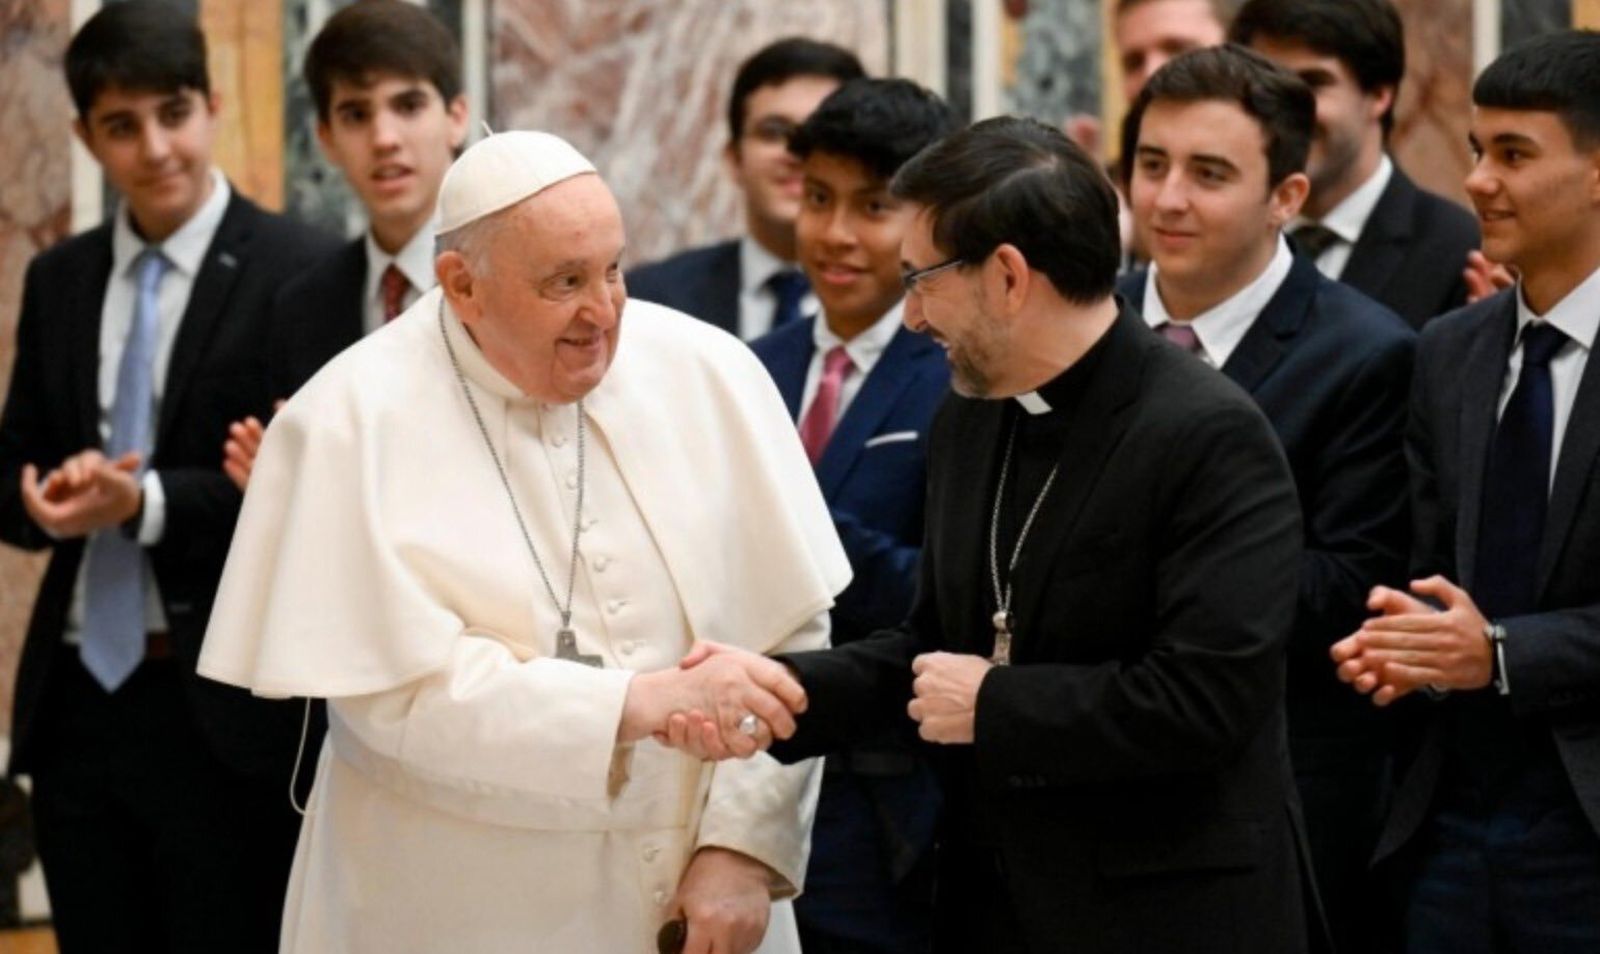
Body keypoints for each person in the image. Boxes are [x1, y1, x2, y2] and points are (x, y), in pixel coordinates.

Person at [197, 130, 849, 954]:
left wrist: (744, 851)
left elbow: (788, 633)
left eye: (612, 269)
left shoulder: (708, 372)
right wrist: (632, 704)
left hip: (706, 900)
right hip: (461, 907)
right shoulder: (349, 423)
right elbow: (396, 701)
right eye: (564, 283)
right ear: (462, 285)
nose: (604, 312)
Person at [676, 115, 1313, 954]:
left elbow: (1207, 701)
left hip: (1164, 914)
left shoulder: (1206, 434)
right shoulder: (972, 419)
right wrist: (783, 692)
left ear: (1008, 276)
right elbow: (938, 648)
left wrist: (996, 704)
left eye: (923, 281)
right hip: (995, 905)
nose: (910, 317)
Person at [0, 3, 340, 950]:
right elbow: (13, 465)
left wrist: (144, 504)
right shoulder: (61, 277)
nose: (155, 147)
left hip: (221, 712)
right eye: (121, 125)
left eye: (173, 112)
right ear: (84, 136)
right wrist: (46, 494)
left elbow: (298, 496)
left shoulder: (299, 269)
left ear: (214, 104)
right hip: (77, 705)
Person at [1116, 43, 1413, 954]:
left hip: (1262, 797)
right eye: (1152, 165)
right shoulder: (1088, 321)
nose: (1167, 199)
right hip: (1082, 781)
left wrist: (1125, 573)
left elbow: (1351, 583)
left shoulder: (1366, 353)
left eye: (1209, 174)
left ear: (1286, 197)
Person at [1332, 29, 1600, 953]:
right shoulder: (1449, 349)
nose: (1479, 180)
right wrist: (1396, 640)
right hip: (1445, 819)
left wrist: (1497, 651)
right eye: (1479, 150)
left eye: (1515, 155)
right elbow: (1429, 560)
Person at [748, 77, 955, 954]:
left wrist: (795, 517)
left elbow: (948, 589)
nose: (835, 234)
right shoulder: (750, 365)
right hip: (747, 768)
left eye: (872, 207)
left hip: (890, 800)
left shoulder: (955, 371)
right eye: (818, 198)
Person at [222, 0, 468, 490]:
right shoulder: (302, 306)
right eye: (356, 114)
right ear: (326, 139)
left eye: (409, 105)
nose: (383, 138)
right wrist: (282, 490)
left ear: (456, 117)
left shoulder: (509, 281)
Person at [1232, 0, 1480, 328]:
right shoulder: (1229, 234)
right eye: (1267, 87)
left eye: (1313, 83)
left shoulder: (1457, 252)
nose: (1285, 111)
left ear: (1379, 94)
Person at [627, 37, 865, 340]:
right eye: (774, 132)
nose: (796, 153)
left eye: (821, 133)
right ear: (734, 158)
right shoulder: (653, 300)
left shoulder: (911, 306)